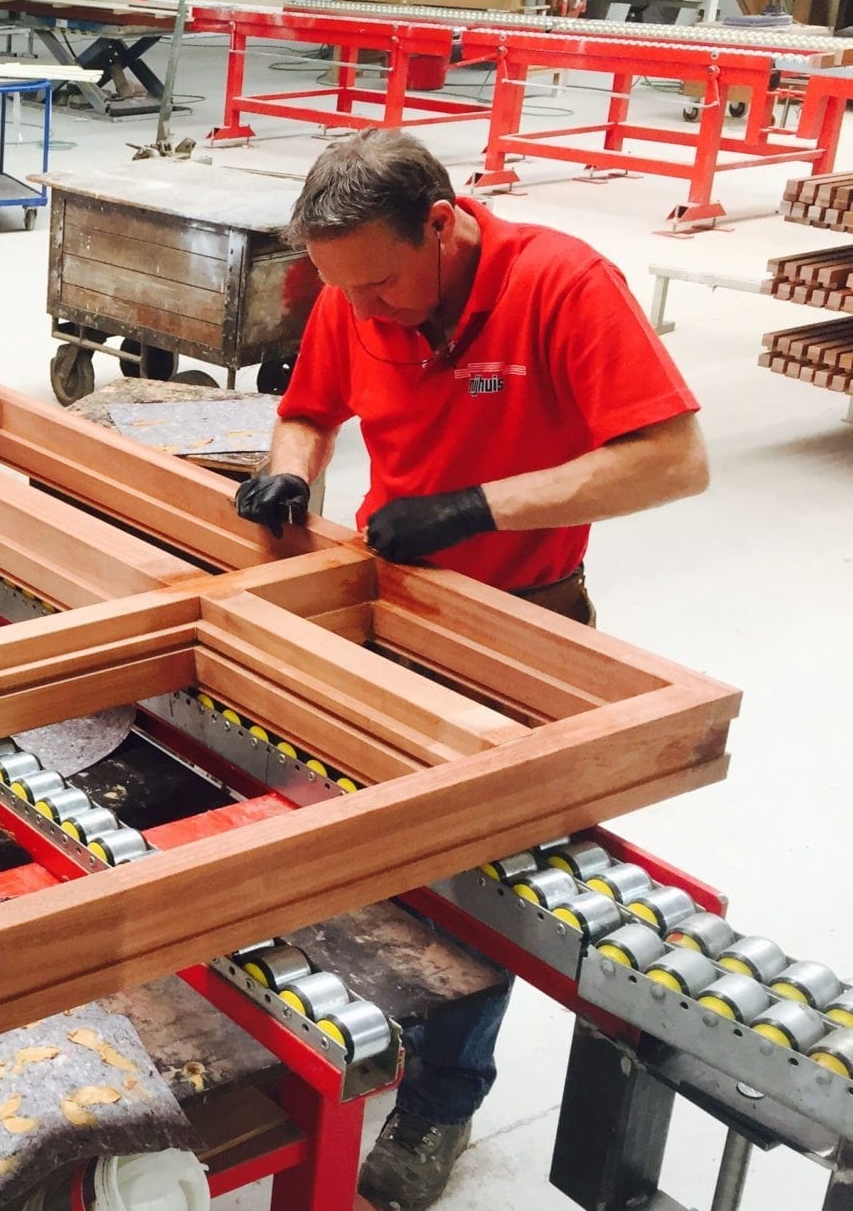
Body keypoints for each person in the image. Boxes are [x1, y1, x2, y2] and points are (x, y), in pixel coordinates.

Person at [234, 130, 708, 1211]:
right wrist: (288, 472)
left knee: (474, 878)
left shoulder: (560, 285)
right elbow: (308, 411)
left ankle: (440, 1099)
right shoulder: (354, 290)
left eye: (380, 285)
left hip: (520, 624)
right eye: (342, 289)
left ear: (440, 225)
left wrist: (478, 507)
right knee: (344, 830)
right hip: (389, 608)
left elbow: (674, 461)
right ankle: (343, 1027)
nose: (364, 309)